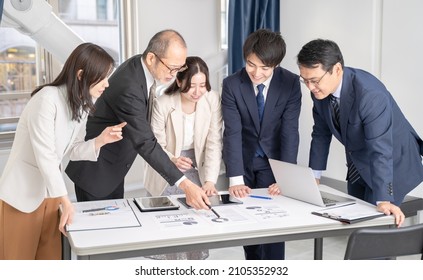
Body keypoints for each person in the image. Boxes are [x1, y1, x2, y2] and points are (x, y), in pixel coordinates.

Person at [0, 43, 126, 260]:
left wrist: (100, 141)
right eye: (103, 77)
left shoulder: (81, 105)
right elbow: (46, 155)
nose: (107, 84)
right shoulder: (46, 99)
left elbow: (73, 149)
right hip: (22, 198)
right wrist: (66, 200)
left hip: (51, 196)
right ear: (80, 75)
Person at [65, 30, 211, 210]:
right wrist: (186, 185)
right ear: (151, 58)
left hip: (113, 170)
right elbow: (144, 141)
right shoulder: (129, 87)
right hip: (96, 173)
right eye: (171, 68)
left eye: (179, 69)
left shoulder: (139, 66)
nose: (174, 75)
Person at [296, 39, 423, 227]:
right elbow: (321, 134)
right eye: (304, 80)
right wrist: (314, 178)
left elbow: (381, 149)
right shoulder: (320, 92)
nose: (310, 87)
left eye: (314, 80)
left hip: (393, 164)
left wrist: (384, 199)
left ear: (337, 69)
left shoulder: (369, 94)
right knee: (356, 224)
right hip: (359, 163)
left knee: (376, 232)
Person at [221, 29, 302, 260]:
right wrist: (235, 177)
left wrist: (285, 176)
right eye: (251, 64)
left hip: (273, 163)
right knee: (248, 229)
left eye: (265, 68)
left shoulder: (290, 83)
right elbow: (232, 132)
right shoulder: (232, 85)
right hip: (243, 162)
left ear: (276, 64)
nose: (256, 73)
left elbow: (290, 131)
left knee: (274, 226)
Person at [144, 56, 222, 260]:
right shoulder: (163, 103)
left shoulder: (212, 99)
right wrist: (172, 159)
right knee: (168, 228)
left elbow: (214, 142)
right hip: (166, 166)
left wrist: (210, 180)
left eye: (202, 85)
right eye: (191, 86)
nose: (197, 92)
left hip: (197, 165)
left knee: (195, 227)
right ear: (179, 82)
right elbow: (155, 144)